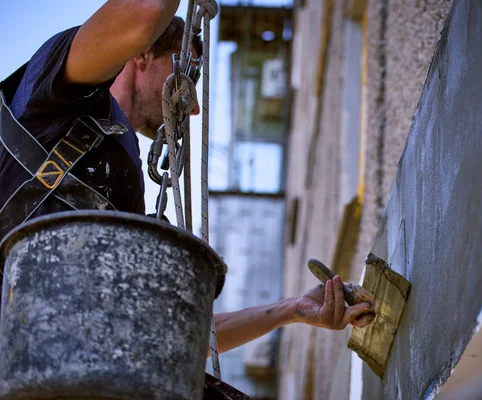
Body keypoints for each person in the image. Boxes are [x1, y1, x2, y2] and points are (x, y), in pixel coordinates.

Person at [0, 0, 374, 354]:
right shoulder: (54, 89)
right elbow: (145, 12)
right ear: (143, 54)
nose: (193, 106)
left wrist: (291, 310)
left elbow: (171, 334)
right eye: (188, 72)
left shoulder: (125, 200)